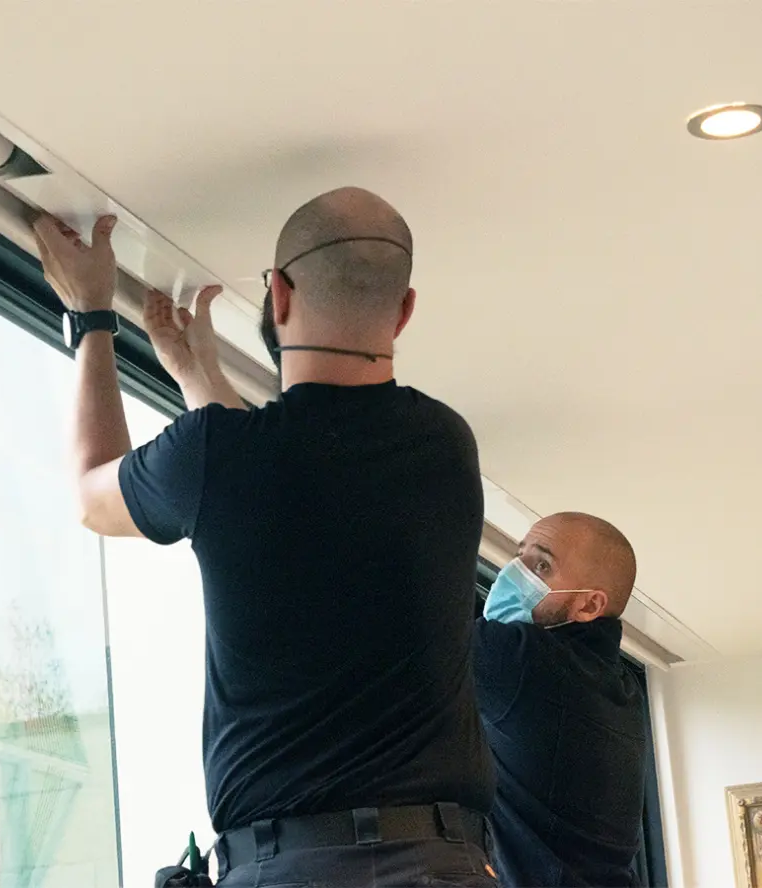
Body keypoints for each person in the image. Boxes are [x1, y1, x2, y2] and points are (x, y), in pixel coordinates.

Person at [33, 187, 498, 887]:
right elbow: (288, 481)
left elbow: (93, 496)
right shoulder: (446, 447)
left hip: (289, 868)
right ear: (403, 314)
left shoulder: (222, 456)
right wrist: (198, 378)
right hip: (442, 863)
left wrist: (92, 316)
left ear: (278, 296)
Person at [473, 512, 646, 888]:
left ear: (587, 606)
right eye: (519, 557)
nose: (513, 573)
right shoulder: (622, 689)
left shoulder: (524, 662)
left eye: (541, 565)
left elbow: (411, 635)